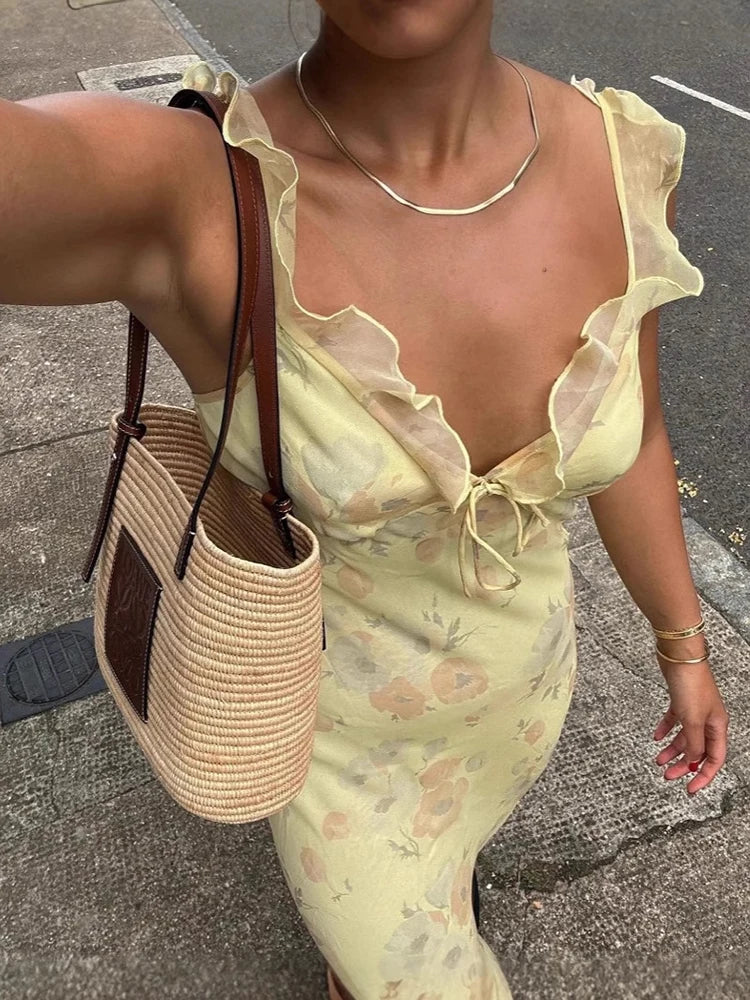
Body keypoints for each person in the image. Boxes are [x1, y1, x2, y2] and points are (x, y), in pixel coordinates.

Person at [1, 2, 730, 998]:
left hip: (522, 708)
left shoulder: (620, 158)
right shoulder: (199, 189)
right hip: (343, 758)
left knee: (414, 912)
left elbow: (636, 438)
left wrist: (683, 647)